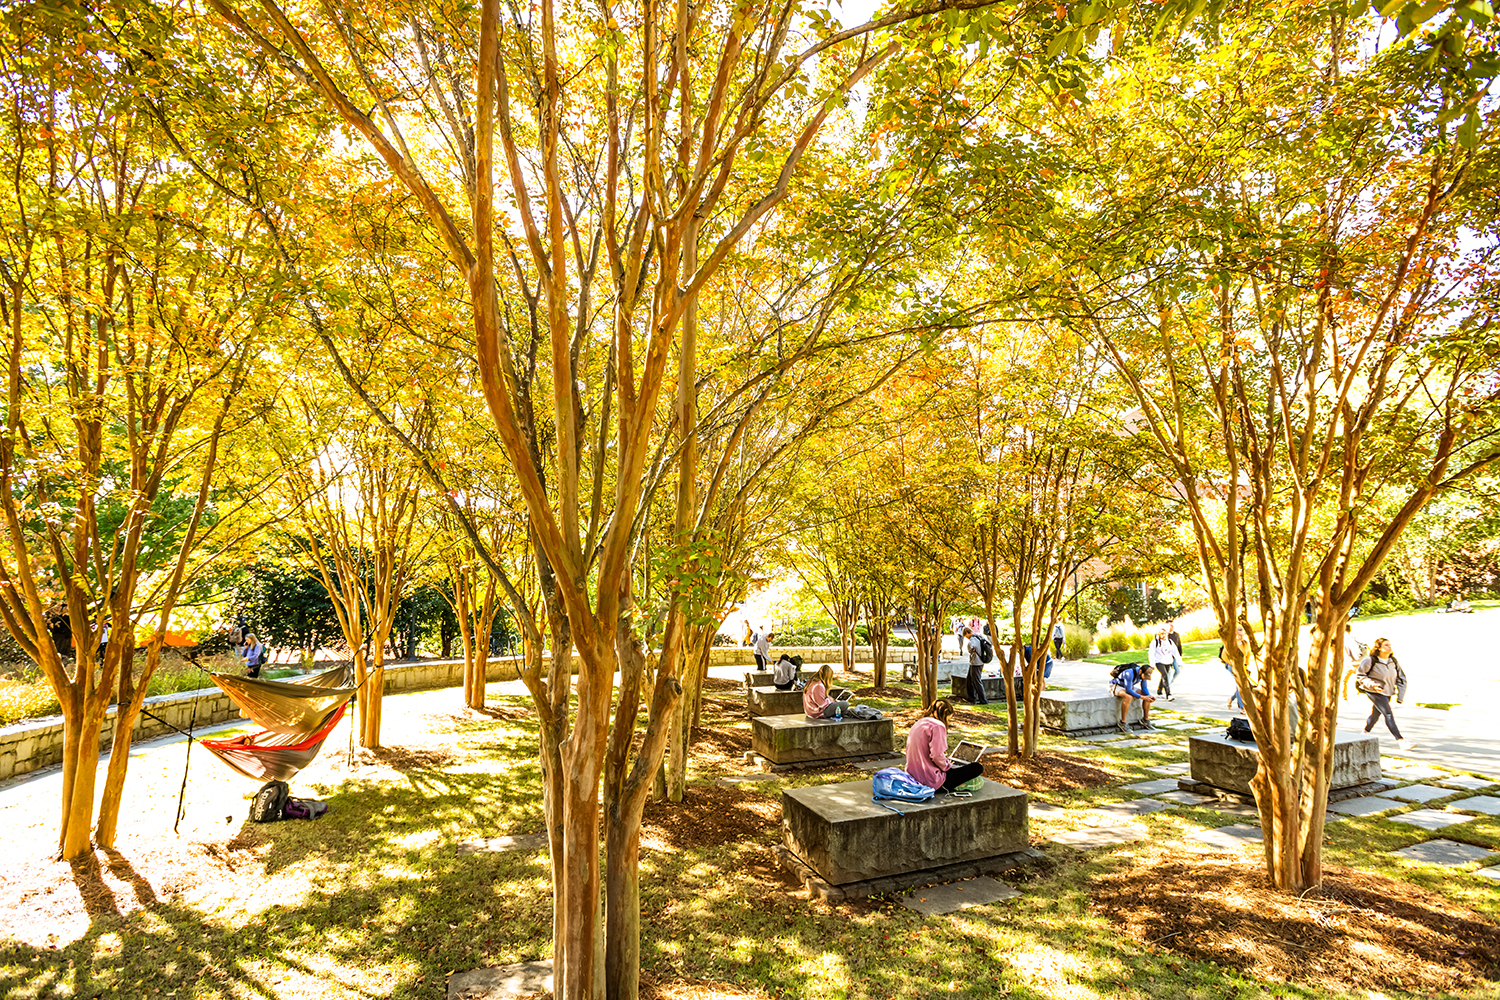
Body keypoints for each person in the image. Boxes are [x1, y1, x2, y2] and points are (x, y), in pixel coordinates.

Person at [904, 699, 983, 793]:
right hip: (931, 780)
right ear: (944, 716)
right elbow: (936, 755)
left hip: (913, 777)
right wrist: (947, 766)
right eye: (948, 719)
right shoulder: (938, 726)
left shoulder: (920, 723)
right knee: (977, 767)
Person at [1357, 638, 1415, 751]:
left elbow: (1401, 678)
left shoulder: (1393, 661)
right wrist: (1372, 685)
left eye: (1390, 645)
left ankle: (1364, 732)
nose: (1390, 647)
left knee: (1375, 714)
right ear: (1379, 648)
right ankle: (1401, 741)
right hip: (1374, 691)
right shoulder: (1369, 660)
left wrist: (1400, 696)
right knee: (1388, 714)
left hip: (1388, 692)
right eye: (1386, 645)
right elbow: (1360, 676)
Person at [1110, 662, 1156, 733]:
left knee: (1147, 696)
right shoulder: (1129, 673)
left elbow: (1144, 688)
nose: (1144, 679)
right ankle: (1123, 723)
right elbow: (1128, 691)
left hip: (1129, 686)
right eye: (1144, 676)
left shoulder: (1144, 674)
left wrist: (1149, 696)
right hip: (1117, 686)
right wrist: (1143, 697)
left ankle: (1145, 720)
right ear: (1140, 671)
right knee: (1128, 697)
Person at [1148, 626, 1183, 701]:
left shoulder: (1170, 642)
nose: (1163, 635)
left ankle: (1159, 691)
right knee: (1165, 675)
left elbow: (1175, 652)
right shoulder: (1155, 642)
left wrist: (1179, 662)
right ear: (1159, 634)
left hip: (1168, 661)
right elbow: (1151, 653)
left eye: (1165, 634)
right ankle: (1168, 694)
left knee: (1164, 676)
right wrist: (1152, 664)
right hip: (1159, 662)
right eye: (1162, 634)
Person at [962, 627, 989, 705]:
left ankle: (983, 700)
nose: (967, 638)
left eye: (966, 636)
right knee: (969, 680)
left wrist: (970, 650)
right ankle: (971, 698)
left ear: (967, 633)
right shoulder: (979, 636)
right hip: (979, 661)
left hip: (976, 663)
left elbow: (971, 645)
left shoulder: (973, 639)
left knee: (977, 681)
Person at [1341, 625, 1365, 701]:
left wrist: (1349, 664)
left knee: (1343, 681)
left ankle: (1344, 698)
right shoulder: (1355, 638)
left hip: (1351, 663)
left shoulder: (1344, 639)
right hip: (1361, 663)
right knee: (1363, 679)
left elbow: (1346, 653)